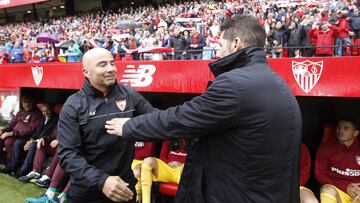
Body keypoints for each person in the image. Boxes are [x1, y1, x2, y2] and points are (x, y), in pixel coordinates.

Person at [105, 15, 302, 203]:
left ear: (236, 44)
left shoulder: (233, 85)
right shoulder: (278, 83)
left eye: (221, 45)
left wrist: (129, 126)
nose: (218, 52)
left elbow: (182, 119)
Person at [57, 48, 156, 203]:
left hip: (124, 188)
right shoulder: (73, 105)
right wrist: (101, 181)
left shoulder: (129, 94)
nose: (110, 69)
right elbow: (68, 156)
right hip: (87, 192)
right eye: (102, 65)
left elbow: (155, 120)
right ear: (86, 72)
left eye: (112, 63)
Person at [315, 117, 360, 203]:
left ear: (355, 133)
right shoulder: (326, 148)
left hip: (357, 192)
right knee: (326, 189)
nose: (340, 131)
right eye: (339, 127)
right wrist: (345, 187)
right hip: (338, 190)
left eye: (346, 128)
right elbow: (319, 174)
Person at [0, 95, 41, 174]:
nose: (26, 104)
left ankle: (11, 166)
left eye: (28, 102)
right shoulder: (20, 112)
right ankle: (3, 162)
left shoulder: (37, 114)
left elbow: (30, 130)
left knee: (10, 142)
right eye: (24, 102)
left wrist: (11, 133)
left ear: (33, 103)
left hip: (26, 137)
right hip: (14, 135)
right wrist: (3, 130)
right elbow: (11, 124)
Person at [18, 103, 58, 178]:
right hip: (38, 140)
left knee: (33, 146)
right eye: (43, 111)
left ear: (52, 110)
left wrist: (37, 140)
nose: (45, 113)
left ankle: (24, 170)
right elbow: (37, 133)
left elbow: (52, 134)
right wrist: (31, 140)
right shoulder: (42, 118)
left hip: (47, 141)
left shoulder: (56, 119)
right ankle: (17, 167)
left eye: (47, 111)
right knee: (24, 143)